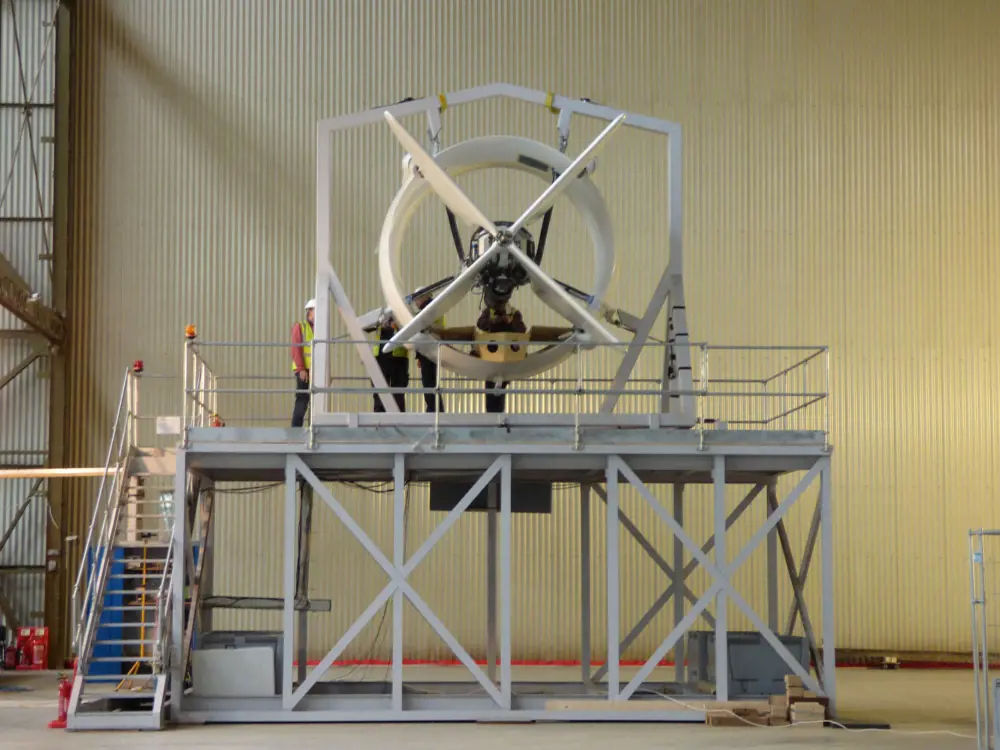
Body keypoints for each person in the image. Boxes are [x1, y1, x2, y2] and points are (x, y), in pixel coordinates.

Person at [476, 301, 526, 413]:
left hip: (507, 356)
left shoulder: (514, 314)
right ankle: (491, 412)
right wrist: (495, 321)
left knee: (501, 384)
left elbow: (522, 329)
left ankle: (499, 411)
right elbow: (480, 324)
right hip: (491, 354)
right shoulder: (489, 312)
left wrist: (512, 322)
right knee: (490, 384)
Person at [414, 294, 446, 413]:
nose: (416, 303)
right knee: (430, 381)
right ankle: (435, 408)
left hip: (430, 350)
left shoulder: (430, 309)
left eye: (417, 299)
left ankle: (434, 409)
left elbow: (421, 324)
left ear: (424, 298)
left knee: (429, 382)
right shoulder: (433, 308)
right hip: (429, 350)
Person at [372, 313, 410, 412]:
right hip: (380, 358)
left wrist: (397, 324)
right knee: (379, 388)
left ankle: (398, 414)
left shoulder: (403, 319)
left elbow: (409, 333)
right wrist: (379, 321)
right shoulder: (379, 320)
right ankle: (379, 413)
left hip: (398, 358)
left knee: (398, 389)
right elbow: (366, 327)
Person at [290, 299, 315, 427]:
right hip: (304, 371)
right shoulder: (300, 327)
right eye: (316, 310)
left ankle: (313, 429)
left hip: (315, 371)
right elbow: (296, 349)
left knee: (315, 401)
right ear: (309, 311)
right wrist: (301, 369)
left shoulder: (319, 329)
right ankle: (295, 430)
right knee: (302, 400)